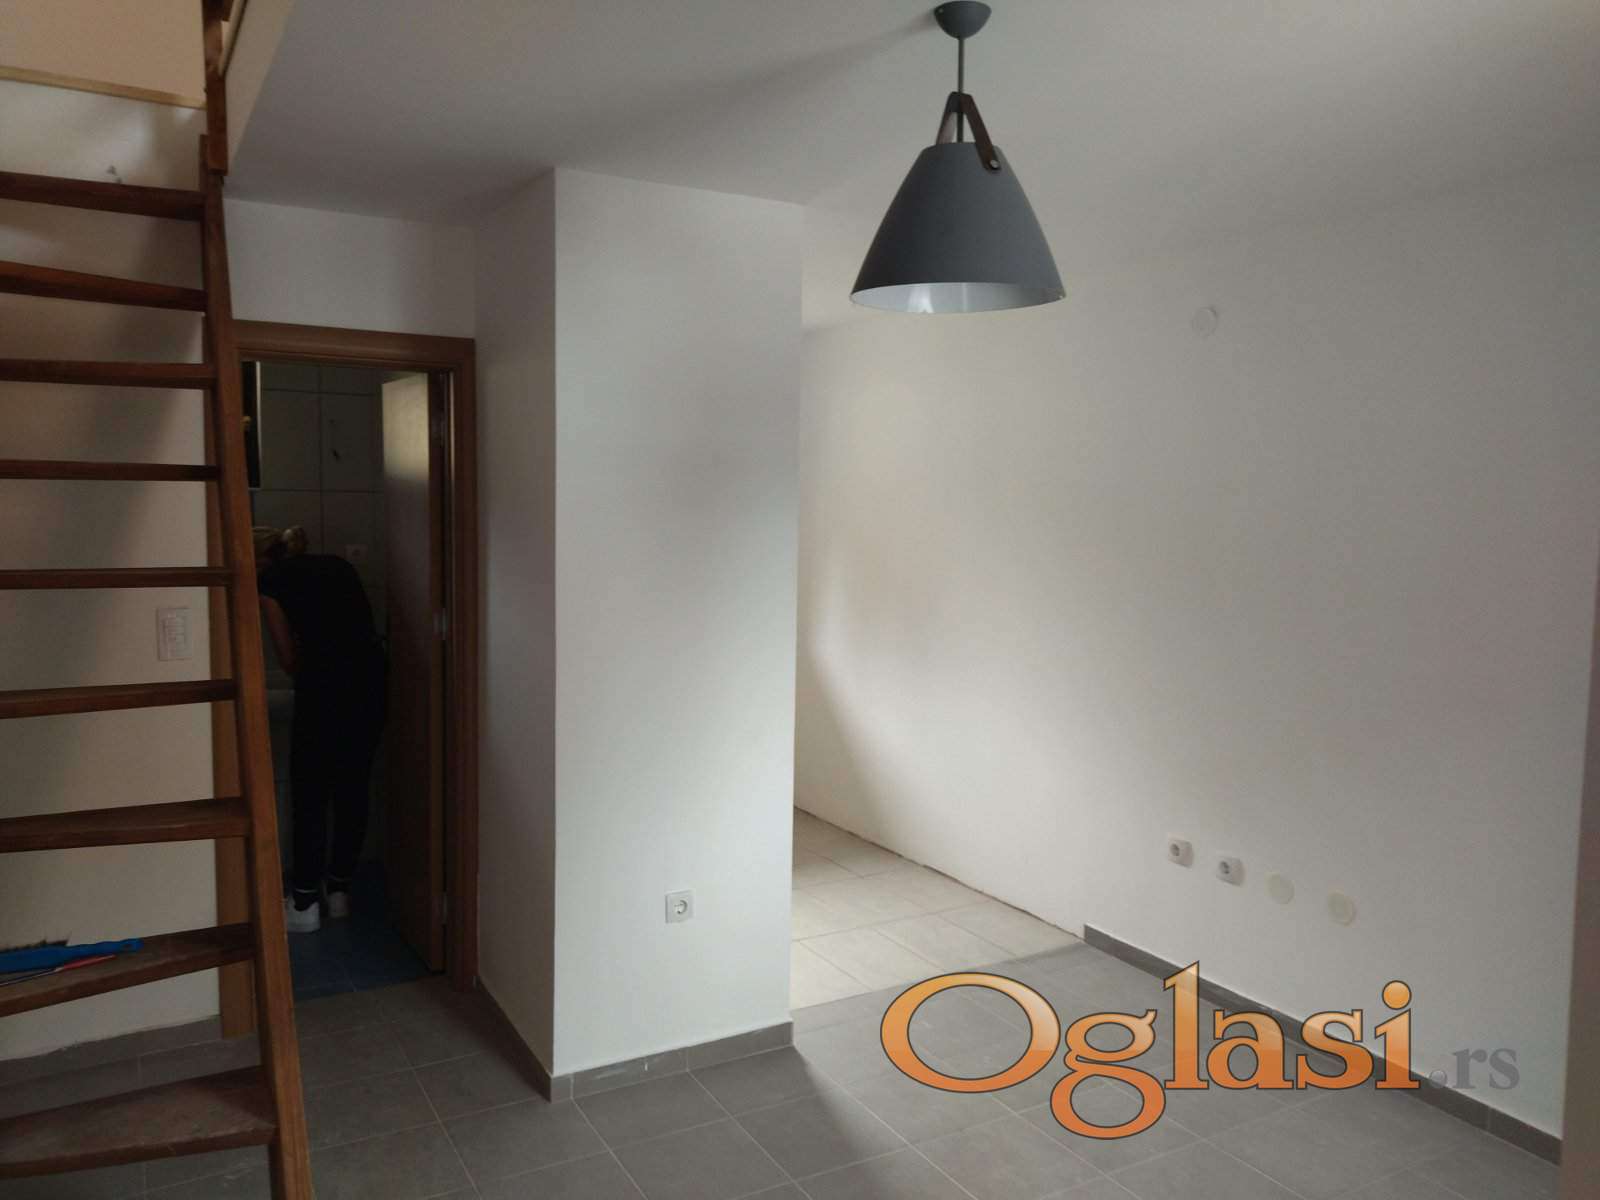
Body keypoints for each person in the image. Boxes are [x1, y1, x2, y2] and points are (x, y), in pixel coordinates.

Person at [253, 526, 387, 934]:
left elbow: (289, 659)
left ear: (259, 560)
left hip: (323, 689)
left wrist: (308, 656)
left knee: (310, 794)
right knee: (353, 788)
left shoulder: (269, 582)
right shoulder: (339, 566)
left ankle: (305, 902)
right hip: (371, 685)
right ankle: (340, 891)